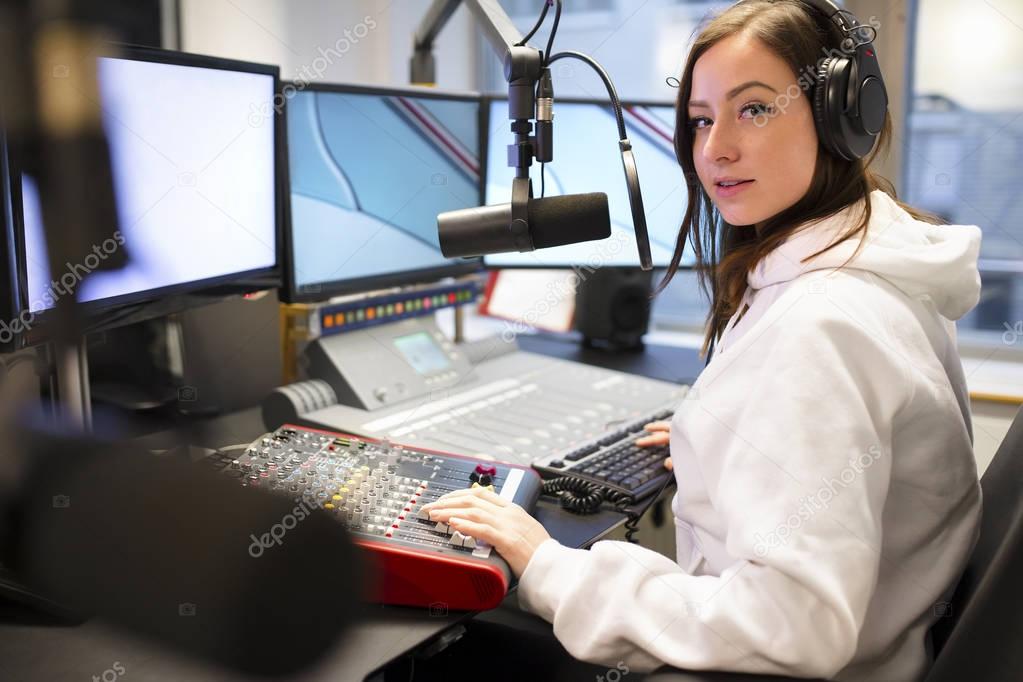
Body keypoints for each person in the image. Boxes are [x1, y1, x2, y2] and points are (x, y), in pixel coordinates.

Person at [414, 1, 982, 679]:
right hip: (890, 647)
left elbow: (788, 629)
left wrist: (545, 565)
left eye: (754, 109)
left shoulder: (819, 327)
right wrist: (724, 439)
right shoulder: (878, 263)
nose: (715, 151)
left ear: (841, 117)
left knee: (454, 644)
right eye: (701, 120)